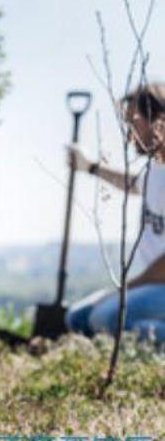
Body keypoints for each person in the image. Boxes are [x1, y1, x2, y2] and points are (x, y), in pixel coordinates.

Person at [66, 83, 165, 342]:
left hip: (159, 283)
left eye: (135, 123)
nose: (129, 134)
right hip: (154, 285)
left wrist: (125, 288)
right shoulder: (156, 168)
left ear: (159, 121)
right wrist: (91, 168)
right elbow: (134, 185)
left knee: (106, 318)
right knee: (77, 317)